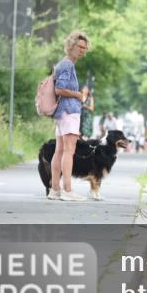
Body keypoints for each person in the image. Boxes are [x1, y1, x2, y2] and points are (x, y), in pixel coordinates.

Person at [49, 30, 90, 202]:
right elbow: (59, 89)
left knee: (59, 150)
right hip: (69, 112)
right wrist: (78, 95)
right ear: (70, 46)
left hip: (61, 113)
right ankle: (67, 190)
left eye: (84, 48)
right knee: (68, 150)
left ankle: (55, 190)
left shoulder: (61, 64)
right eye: (79, 46)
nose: (82, 50)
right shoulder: (67, 65)